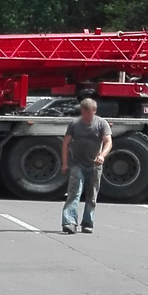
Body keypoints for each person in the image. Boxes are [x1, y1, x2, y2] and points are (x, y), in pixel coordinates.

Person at [61, 97, 112, 234]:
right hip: (77, 163)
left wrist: (102, 156)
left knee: (91, 195)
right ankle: (69, 222)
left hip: (94, 165)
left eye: (89, 113)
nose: (86, 116)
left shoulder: (101, 124)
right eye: (84, 113)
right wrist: (65, 163)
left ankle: (88, 223)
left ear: (94, 111)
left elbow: (108, 142)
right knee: (74, 193)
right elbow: (66, 143)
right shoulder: (74, 124)